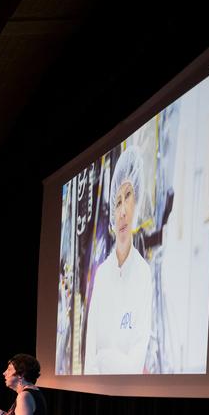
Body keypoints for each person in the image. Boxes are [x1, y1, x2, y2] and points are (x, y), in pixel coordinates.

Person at [83, 148, 154, 374]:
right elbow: (91, 348)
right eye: (117, 201)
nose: (122, 211)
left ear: (138, 202)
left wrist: (106, 358)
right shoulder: (102, 274)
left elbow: (137, 352)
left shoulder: (143, 273)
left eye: (129, 196)